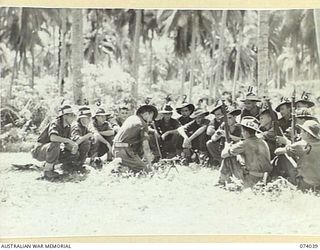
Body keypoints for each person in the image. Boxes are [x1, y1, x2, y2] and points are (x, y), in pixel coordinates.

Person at [221, 116, 273, 188]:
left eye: (242, 131)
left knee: (228, 158)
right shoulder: (262, 141)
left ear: (245, 132)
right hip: (265, 177)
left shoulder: (244, 143)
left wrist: (226, 145)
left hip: (252, 178)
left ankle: (221, 182)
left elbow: (223, 154)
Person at [31, 104, 78, 179]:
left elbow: (66, 144)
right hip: (39, 150)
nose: (73, 118)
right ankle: (47, 171)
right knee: (55, 144)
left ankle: (64, 167)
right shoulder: (55, 123)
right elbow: (53, 138)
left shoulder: (67, 127)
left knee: (72, 151)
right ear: (65, 116)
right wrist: (68, 140)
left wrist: (73, 149)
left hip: (51, 150)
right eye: (72, 115)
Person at [275, 120, 320, 191]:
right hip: (317, 183)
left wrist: (287, 144)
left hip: (305, 183)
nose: (300, 134)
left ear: (308, 134)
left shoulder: (301, 144)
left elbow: (277, 151)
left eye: (302, 131)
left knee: (281, 157)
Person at [112, 104, 158, 174]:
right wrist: (150, 165)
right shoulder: (143, 124)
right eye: (151, 116)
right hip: (125, 150)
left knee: (128, 170)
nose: (151, 119)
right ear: (146, 114)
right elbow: (146, 147)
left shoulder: (131, 118)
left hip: (115, 147)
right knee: (145, 172)